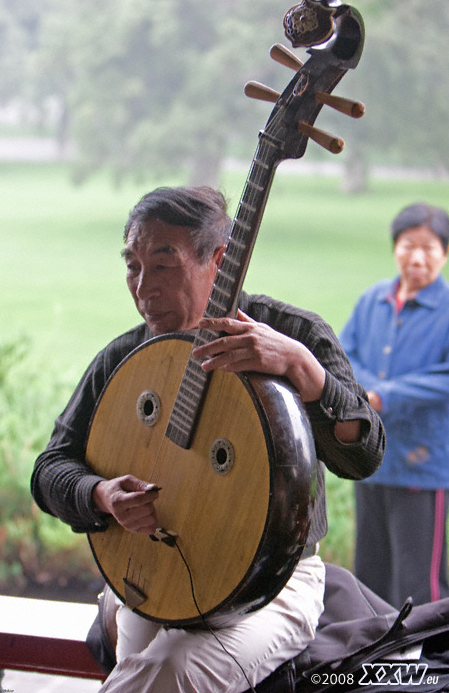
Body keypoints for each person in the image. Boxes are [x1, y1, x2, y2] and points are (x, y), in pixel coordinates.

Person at [31, 186, 384, 693]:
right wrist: (101, 495)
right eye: (132, 266)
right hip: (151, 572)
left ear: (217, 259)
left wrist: (301, 368)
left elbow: (365, 456)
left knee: (168, 671)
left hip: (272, 584)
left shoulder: (291, 334)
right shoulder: (126, 357)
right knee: (147, 668)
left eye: (163, 264)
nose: (142, 288)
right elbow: (51, 468)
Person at [340, 202, 449, 610]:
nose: (417, 258)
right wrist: (364, 388)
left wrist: (385, 395)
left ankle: (428, 667)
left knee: (419, 580)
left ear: (445, 253)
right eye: (408, 246)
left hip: (422, 462)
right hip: (370, 460)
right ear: (395, 248)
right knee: (369, 572)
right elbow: (344, 355)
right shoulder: (373, 301)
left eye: (429, 248)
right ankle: (375, 656)